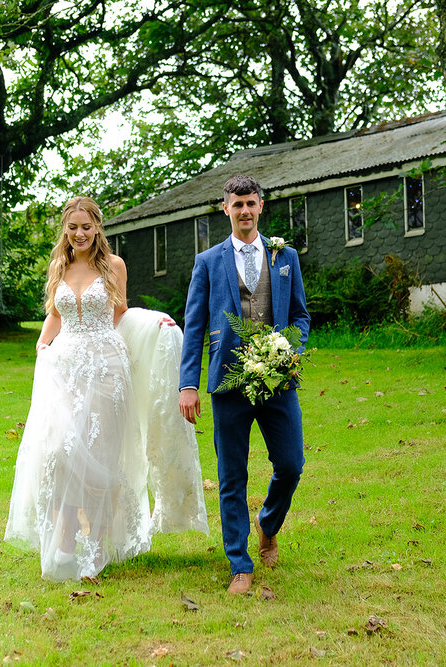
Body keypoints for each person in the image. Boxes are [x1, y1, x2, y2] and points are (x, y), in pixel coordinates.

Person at [5, 196, 208, 582]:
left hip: (107, 370)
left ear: (97, 227)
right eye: (72, 227)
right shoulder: (59, 266)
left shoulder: (113, 266)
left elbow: (122, 315)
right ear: (65, 229)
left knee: (101, 462)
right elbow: (54, 314)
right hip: (66, 371)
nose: (79, 234)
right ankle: (65, 539)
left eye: (86, 226)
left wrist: (155, 323)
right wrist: (43, 346)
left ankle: (96, 545)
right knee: (61, 454)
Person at [179, 175, 310, 594]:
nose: (245, 211)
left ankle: (267, 523)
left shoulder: (284, 255)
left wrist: (289, 348)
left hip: (278, 381)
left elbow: (301, 316)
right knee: (231, 476)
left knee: (291, 464)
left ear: (261, 205)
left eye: (251, 204)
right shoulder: (208, 262)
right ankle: (240, 563)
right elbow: (195, 324)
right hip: (228, 384)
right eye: (237, 205)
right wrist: (188, 384)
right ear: (225, 209)